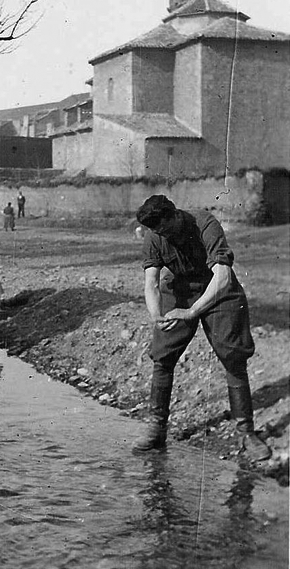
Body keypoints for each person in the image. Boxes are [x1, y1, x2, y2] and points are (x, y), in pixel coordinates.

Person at [132, 194, 270, 462]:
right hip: (180, 287)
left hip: (216, 288)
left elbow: (223, 276)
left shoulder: (204, 223)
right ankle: (157, 427)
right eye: (158, 232)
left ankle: (246, 434)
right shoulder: (154, 237)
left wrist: (192, 312)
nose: (164, 236)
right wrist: (156, 316)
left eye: (166, 229)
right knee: (162, 356)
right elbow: (151, 282)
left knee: (233, 355)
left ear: (175, 215)